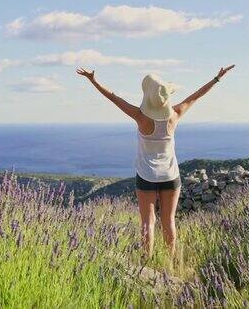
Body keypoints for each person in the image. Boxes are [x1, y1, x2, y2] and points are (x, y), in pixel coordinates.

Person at [76, 65, 235, 258]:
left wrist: (94, 81)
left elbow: (114, 98)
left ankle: (147, 261)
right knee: (168, 221)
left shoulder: (140, 117)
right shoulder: (175, 115)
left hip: (146, 175)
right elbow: (196, 95)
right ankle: (170, 260)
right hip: (171, 175)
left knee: (147, 222)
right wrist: (217, 78)